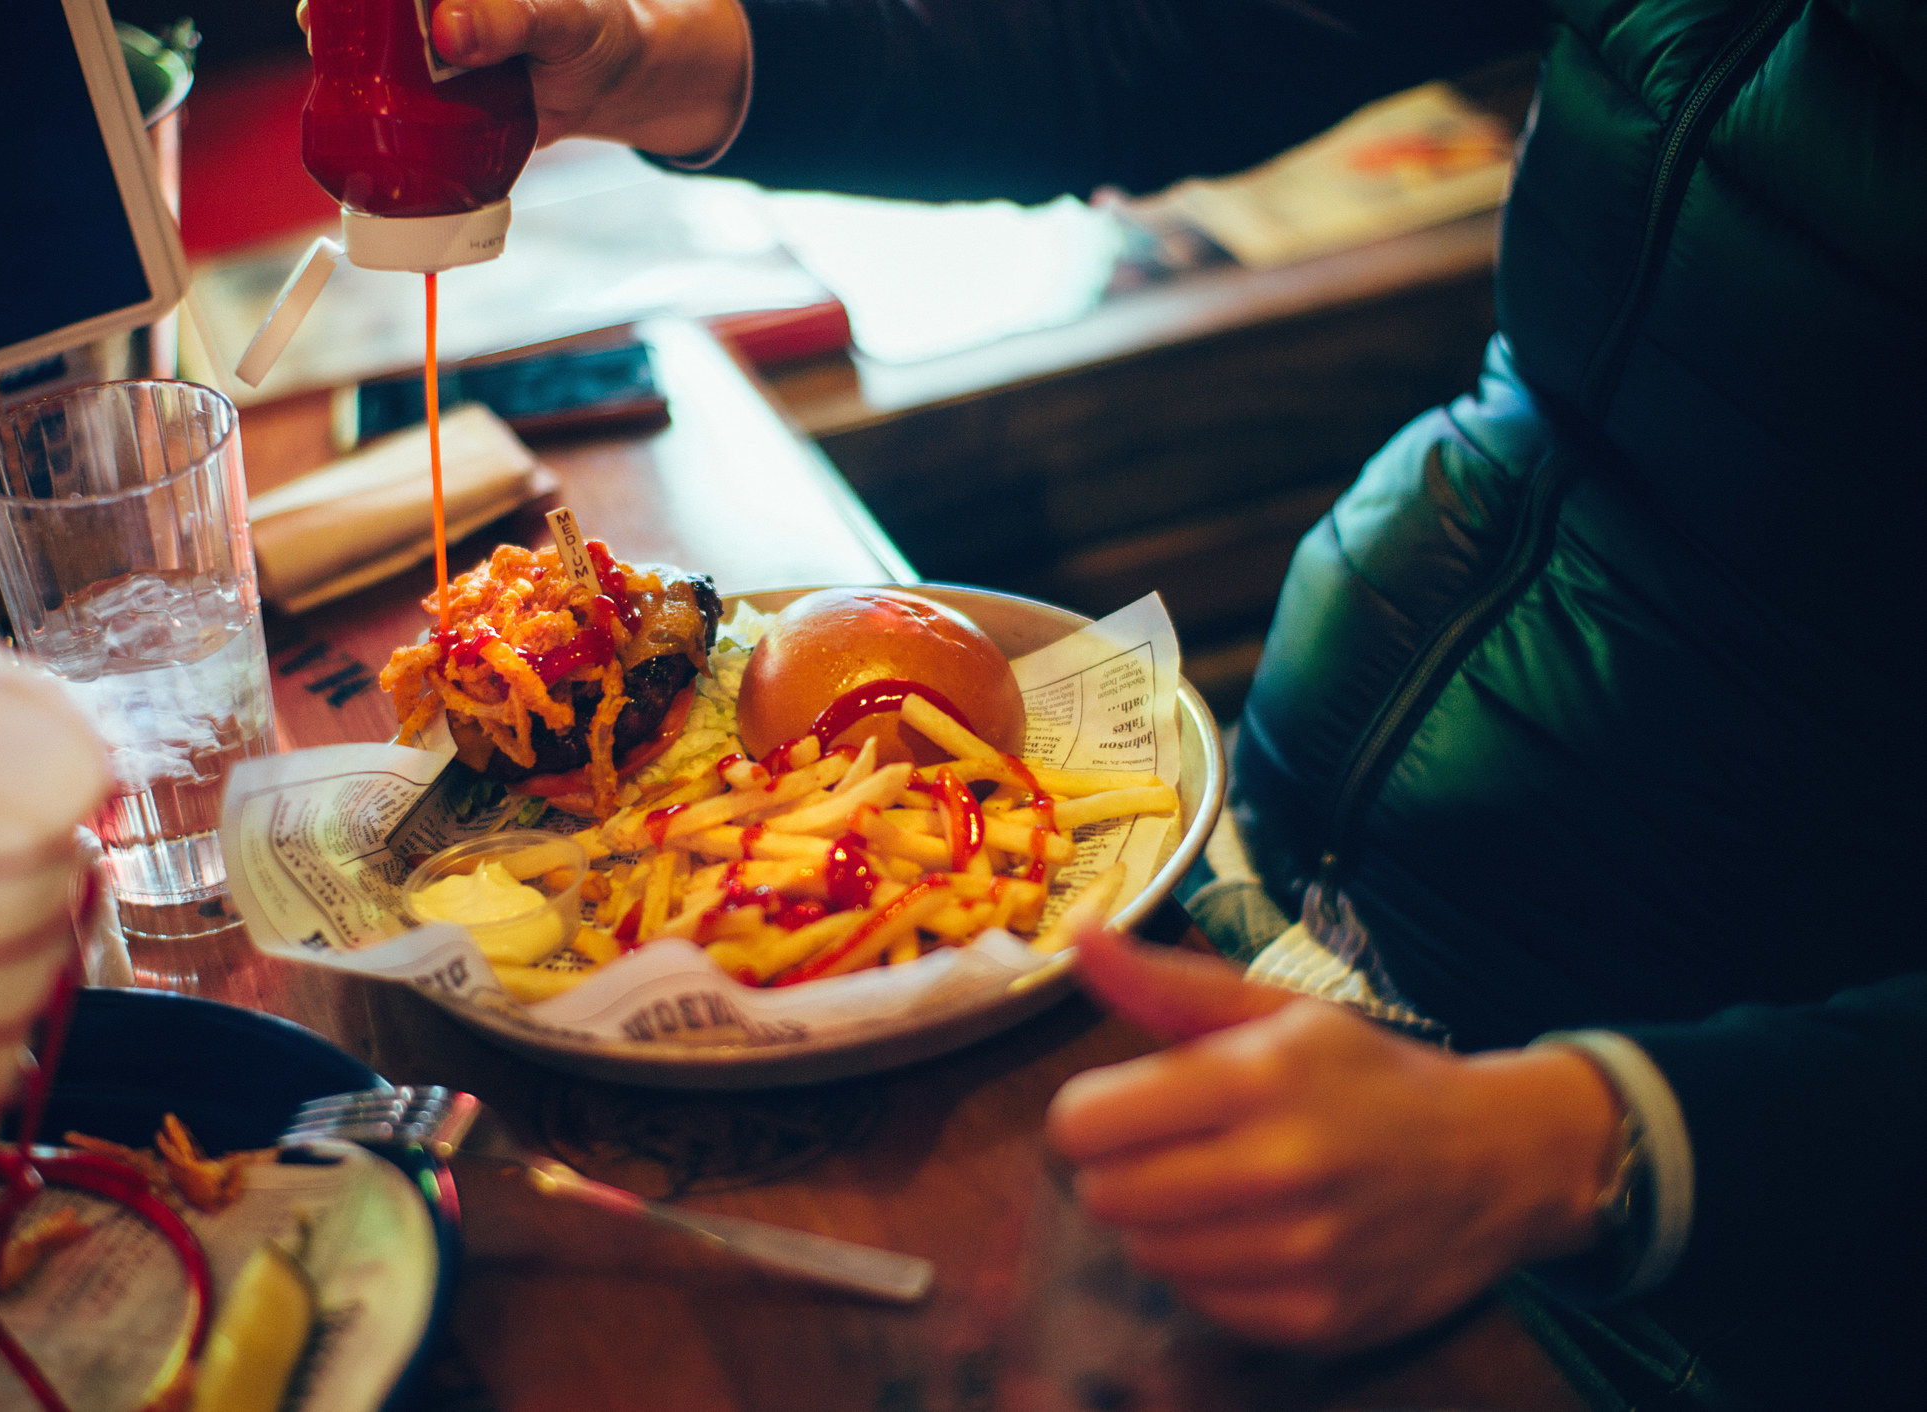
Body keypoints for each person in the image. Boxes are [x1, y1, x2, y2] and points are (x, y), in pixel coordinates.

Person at [383, 1, 1926, 1404]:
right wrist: (688, 63)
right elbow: (1188, 35)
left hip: (1670, 1167)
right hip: (1259, 876)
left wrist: (1593, 1136)